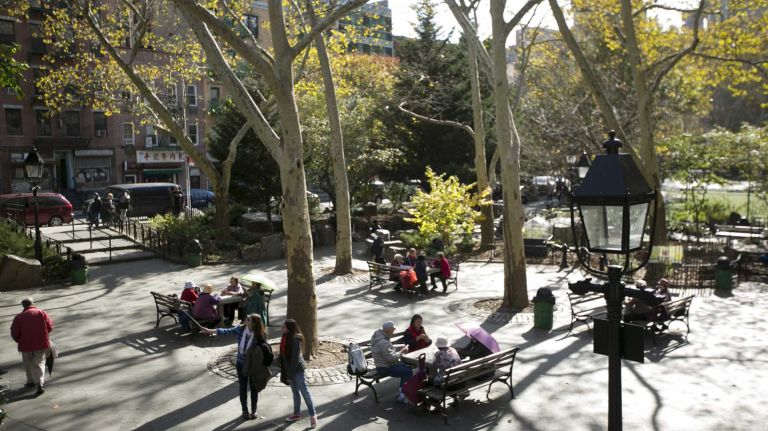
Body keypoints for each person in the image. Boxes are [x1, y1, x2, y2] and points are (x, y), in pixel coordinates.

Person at [203, 314, 272, 420]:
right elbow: (227, 331)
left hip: (253, 366)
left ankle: (254, 411)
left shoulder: (261, 335)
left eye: (248, 319)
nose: (245, 320)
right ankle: (245, 411)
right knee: (243, 387)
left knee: (254, 388)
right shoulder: (241, 329)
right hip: (241, 363)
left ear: (253, 323)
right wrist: (210, 330)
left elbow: (265, 349)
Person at [10, 298, 53, 396]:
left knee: (28, 363)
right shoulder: (42, 313)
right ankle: (40, 383)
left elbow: (14, 333)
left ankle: (31, 382)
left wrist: (20, 341)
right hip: (41, 344)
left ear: (23, 306)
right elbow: (49, 327)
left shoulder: (18, 317)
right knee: (39, 363)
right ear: (32, 303)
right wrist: (44, 336)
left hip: (25, 345)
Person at [279, 319, 317, 428]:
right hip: (289, 369)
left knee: (304, 392)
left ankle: (313, 414)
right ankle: (296, 414)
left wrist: (289, 374)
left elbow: (295, 359)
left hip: (297, 370)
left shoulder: (295, 339)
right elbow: (284, 353)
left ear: (289, 328)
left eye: (284, 326)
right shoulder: (285, 336)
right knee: (295, 392)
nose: (282, 328)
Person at [370, 321, 412, 402]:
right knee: (407, 371)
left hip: (384, 365)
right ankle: (402, 394)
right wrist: (402, 352)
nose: (393, 333)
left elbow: (389, 349)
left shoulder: (382, 337)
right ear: (388, 331)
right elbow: (390, 358)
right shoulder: (383, 342)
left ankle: (403, 391)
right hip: (384, 368)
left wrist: (400, 347)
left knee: (407, 368)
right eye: (392, 331)